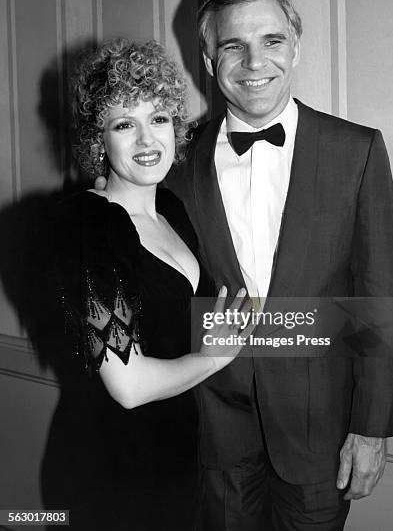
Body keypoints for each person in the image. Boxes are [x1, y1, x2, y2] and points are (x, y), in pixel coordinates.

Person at [163, 0, 393, 530]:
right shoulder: (173, 163)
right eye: (232, 45)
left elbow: (379, 298)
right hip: (213, 431)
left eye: (271, 41)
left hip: (321, 433)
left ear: (295, 47)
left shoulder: (357, 150)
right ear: (207, 56)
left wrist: (371, 429)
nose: (254, 61)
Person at [46, 38, 252, 531]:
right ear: (99, 140)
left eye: (158, 119)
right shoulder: (84, 225)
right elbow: (130, 385)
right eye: (124, 124)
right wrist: (216, 356)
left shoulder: (173, 212)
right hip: (108, 467)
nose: (146, 139)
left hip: (175, 448)